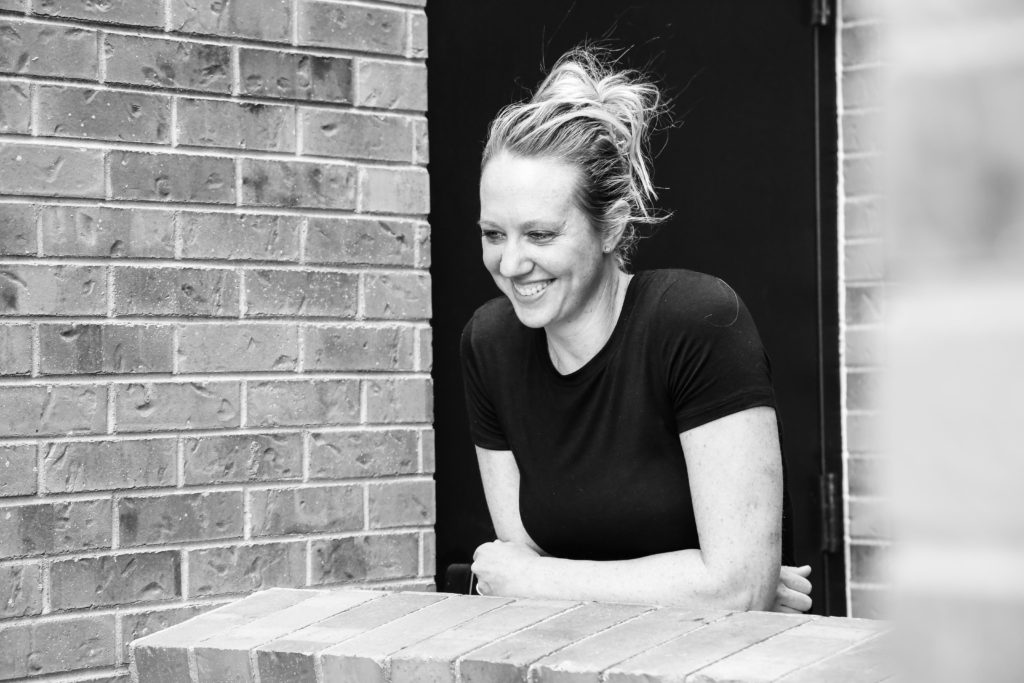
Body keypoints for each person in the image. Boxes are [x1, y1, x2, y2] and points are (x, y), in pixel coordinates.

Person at [460, 48, 813, 613]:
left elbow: (736, 590)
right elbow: (517, 583)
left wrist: (539, 579)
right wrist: (703, 583)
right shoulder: (490, 343)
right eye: (493, 234)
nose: (510, 264)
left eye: (542, 235)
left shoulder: (696, 321)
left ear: (611, 227)